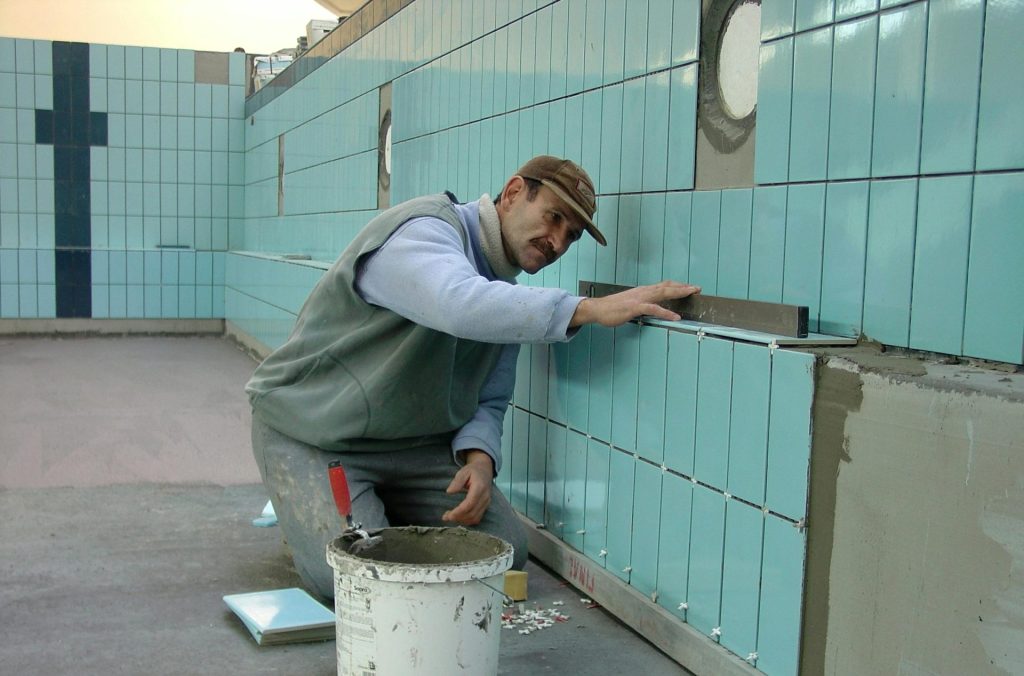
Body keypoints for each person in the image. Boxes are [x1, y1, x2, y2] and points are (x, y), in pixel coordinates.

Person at [245, 155, 701, 598]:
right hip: (316, 435)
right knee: (357, 576)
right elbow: (457, 304)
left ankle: (377, 519)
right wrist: (589, 309)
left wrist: (479, 462)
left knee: (504, 551)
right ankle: (314, 518)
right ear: (514, 192)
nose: (558, 242)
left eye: (571, 235)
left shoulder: (506, 299)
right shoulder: (422, 230)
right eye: (553, 217)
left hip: (412, 450)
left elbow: (491, 398)